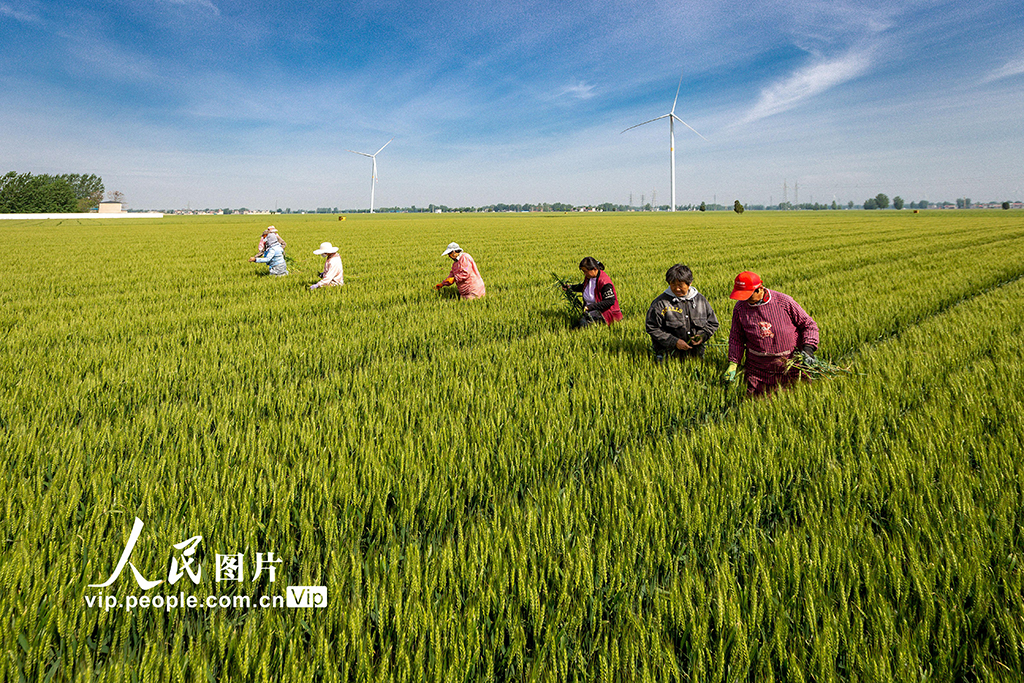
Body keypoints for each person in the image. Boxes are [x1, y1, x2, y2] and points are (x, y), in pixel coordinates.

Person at [724, 271, 819, 395]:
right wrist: (733, 363)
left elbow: (808, 325)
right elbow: (736, 338)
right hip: (758, 372)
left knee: (799, 398)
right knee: (756, 406)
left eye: (748, 296)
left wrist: (808, 348)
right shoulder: (740, 308)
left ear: (760, 289)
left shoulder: (784, 302)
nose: (745, 300)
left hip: (791, 368)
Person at [645, 264, 719, 361]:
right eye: (673, 285)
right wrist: (674, 342)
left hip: (696, 356)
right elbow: (652, 327)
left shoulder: (700, 301)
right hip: (668, 357)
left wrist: (702, 335)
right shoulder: (661, 303)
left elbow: (712, 323)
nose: (677, 288)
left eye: (680, 285)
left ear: (690, 283)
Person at [561, 257, 622, 328]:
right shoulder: (589, 277)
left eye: (585, 271)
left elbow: (610, 301)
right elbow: (585, 287)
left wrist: (590, 307)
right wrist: (571, 287)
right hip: (591, 314)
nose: (584, 274)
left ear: (595, 269)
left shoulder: (604, 282)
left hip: (604, 317)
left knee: (581, 328)